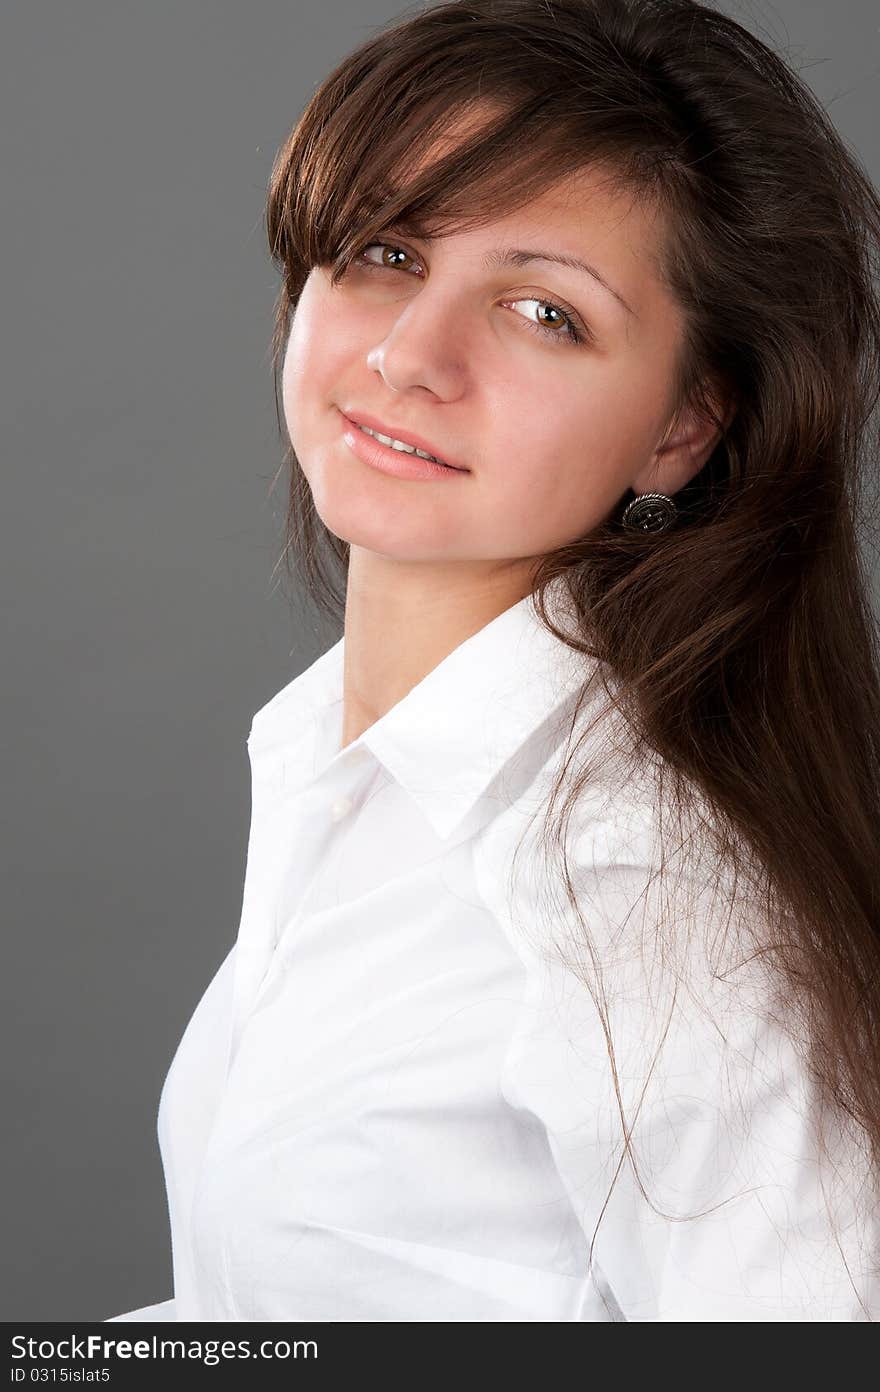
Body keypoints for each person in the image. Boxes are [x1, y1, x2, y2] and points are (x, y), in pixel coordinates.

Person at [108, 0, 880, 1321]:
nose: (410, 355)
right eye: (388, 251)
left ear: (682, 430)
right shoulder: (341, 778)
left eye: (543, 312)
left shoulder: (641, 890)